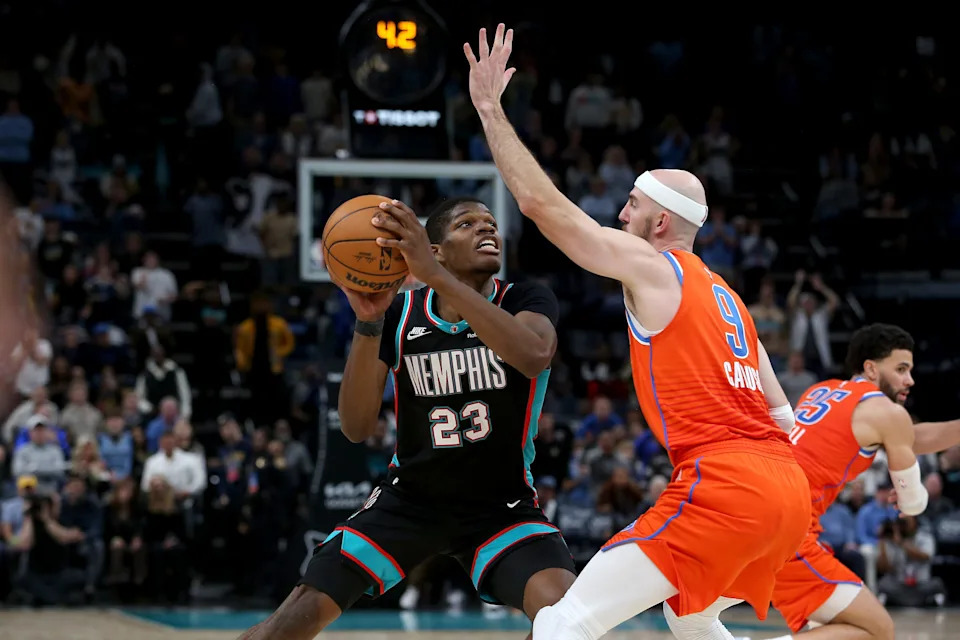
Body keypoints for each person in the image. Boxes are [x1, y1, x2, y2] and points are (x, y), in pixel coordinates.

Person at [464, 24, 811, 640]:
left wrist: (491, 110)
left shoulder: (654, 267)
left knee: (565, 622)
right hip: (786, 492)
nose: (621, 213)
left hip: (725, 484)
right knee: (689, 616)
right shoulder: (729, 299)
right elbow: (783, 415)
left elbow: (545, 210)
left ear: (660, 224)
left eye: (632, 205)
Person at [236, 196, 576, 639]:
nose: (486, 228)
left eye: (490, 222)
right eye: (467, 223)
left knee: (565, 617)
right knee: (292, 619)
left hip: (501, 505)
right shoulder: (400, 314)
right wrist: (368, 321)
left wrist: (435, 277)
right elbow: (356, 427)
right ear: (434, 250)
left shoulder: (525, 299)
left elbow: (533, 355)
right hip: (410, 500)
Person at [769, 323, 960, 639]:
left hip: (757, 508)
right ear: (871, 368)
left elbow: (910, 437)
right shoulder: (884, 411)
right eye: (901, 369)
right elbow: (913, 503)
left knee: (823, 628)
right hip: (786, 525)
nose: (910, 380)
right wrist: (909, 496)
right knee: (877, 630)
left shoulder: (821, 390)